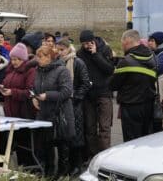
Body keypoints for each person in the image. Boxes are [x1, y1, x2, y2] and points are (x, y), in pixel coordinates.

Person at [33, 46, 74, 178]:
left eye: (40, 57)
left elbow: (67, 91)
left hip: (60, 113)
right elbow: (34, 87)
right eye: (37, 56)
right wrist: (34, 97)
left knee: (62, 145)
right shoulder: (38, 70)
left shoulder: (62, 70)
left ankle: (63, 174)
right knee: (46, 145)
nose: (37, 59)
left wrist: (48, 96)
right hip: (44, 113)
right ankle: (48, 173)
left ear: (49, 57)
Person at [110, 30, 156, 142]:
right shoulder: (152, 57)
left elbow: (113, 85)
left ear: (127, 41)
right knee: (146, 139)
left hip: (131, 108)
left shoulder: (126, 61)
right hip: (149, 106)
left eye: (122, 42)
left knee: (131, 142)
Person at [76, 30, 114, 159]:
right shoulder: (80, 54)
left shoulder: (105, 49)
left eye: (88, 43)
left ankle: (105, 157)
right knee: (90, 128)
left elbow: (109, 70)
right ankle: (92, 156)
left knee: (104, 128)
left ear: (93, 41)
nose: (86, 46)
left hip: (104, 93)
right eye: (83, 44)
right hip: (88, 95)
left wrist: (96, 54)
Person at [56, 39, 91, 176]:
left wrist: (75, 98)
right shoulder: (58, 63)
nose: (59, 52)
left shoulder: (77, 62)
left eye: (62, 50)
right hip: (61, 103)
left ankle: (76, 166)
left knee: (75, 135)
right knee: (63, 135)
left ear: (68, 49)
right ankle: (65, 167)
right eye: (57, 50)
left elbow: (85, 83)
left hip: (74, 104)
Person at [0, 43, 36, 119]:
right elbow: (6, 83)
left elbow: (30, 92)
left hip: (23, 114)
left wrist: (12, 92)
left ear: (22, 59)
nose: (13, 62)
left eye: (15, 60)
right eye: (12, 59)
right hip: (9, 113)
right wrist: (2, 87)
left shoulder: (30, 71)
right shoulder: (10, 70)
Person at [148, 31, 163, 133]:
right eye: (149, 41)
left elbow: (157, 69)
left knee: (157, 119)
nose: (149, 43)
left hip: (159, 93)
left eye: (152, 41)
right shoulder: (154, 53)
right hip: (154, 91)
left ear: (158, 42)